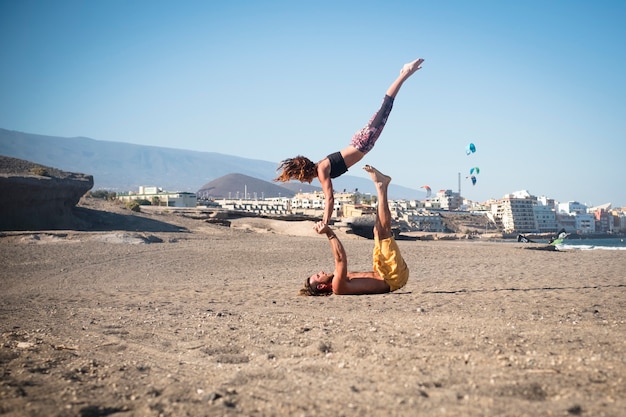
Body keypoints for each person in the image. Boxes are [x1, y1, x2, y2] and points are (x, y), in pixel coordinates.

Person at [274, 58, 424, 225]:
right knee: (385, 108)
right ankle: (404, 73)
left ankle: (405, 73)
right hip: (362, 142)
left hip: (363, 142)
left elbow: (329, 198)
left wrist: (325, 221)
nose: (302, 181)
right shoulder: (321, 167)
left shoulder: (322, 170)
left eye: (299, 177)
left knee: (386, 106)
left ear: (304, 173)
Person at [299, 165, 409, 296]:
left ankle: (382, 186)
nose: (321, 271)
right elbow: (340, 259)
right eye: (318, 275)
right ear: (322, 286)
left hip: (383, 271)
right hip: (392, 276)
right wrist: (329, 233)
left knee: (377, 232)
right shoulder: (337, 286)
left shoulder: (335, 278)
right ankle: (382, 186)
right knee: (383, 233)